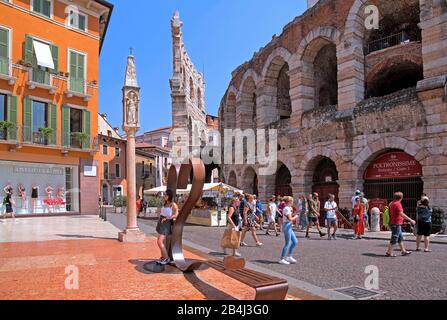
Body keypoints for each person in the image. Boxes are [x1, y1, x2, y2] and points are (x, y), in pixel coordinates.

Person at [385, 192, 416, 257]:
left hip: (394, 223)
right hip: (396, 223)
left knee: (400, 238)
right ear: (401, 198)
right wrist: (410, 220)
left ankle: (403, 251)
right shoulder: (398, 204)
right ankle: (389, 252)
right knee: (394, 238)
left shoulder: (391, 203)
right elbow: (401, 214)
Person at [156, 189, 179, 265]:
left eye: (165, 195)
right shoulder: (165, 204)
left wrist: (168, 218)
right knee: (159, 241)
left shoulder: (173, 204)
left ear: (169, 196)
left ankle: (166, 258)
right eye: (164, 194)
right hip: (161, 222)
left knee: (160, 241)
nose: (164, 196)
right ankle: (163, 257)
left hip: (166, 224)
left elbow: (176, 214)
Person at [279, 196, 298, 265]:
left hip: (289, 226)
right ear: (289, 202)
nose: (293, 202)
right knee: (287, 243)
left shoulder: (288, 208)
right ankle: (282, 258)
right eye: (292, 201)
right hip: (287, 226)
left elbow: (289, 216)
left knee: (295, 242)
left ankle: (289, 256)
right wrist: (295, 217)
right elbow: (290, 218)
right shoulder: (287, 208)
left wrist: (294, 214)